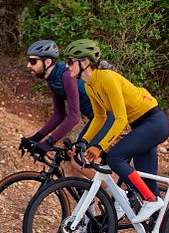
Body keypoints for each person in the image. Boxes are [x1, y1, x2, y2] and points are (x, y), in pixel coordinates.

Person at [64, 39, 169, 229]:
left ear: (85, 62)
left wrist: (100, 146)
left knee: (114, 157)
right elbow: (99, 117)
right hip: (142, 126)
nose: (66, 65)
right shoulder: (90, 86)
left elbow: (120, 119)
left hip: (154, 122)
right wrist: (84, 141)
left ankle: (150, 201)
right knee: (147, 182)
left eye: (70, 61)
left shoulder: (107, 78)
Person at [19, 40, 114, 183]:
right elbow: (59, 115)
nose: (28, 65)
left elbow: (74, 117)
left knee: (78, 157)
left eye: (33, 61)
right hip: (96, 119)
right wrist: (35, 138)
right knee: (74, 161)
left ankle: (113, 197)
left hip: (106, 118)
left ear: (48, 62)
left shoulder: (66, 75)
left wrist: (49, 142)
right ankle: (93, 203)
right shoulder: (52, 79)